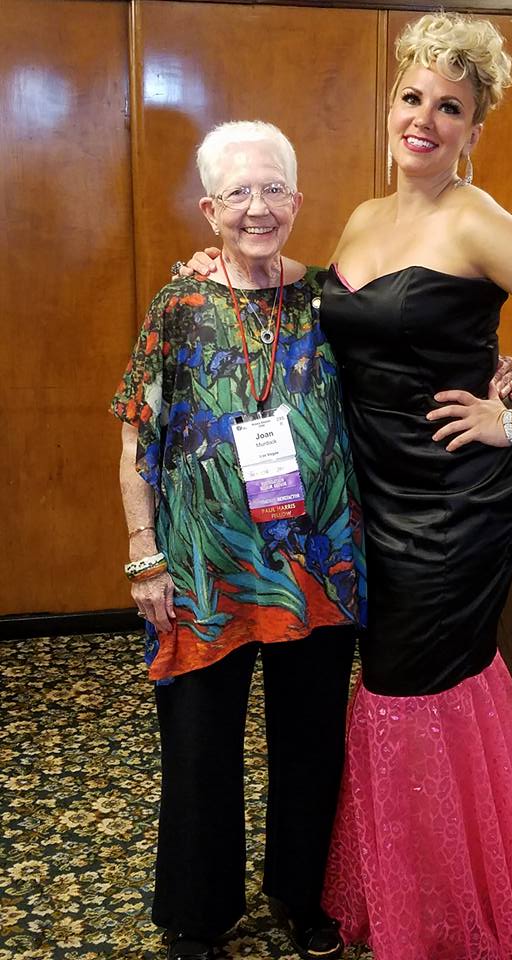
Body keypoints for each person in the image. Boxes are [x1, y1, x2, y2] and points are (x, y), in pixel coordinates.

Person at [181, 12, 512, 954]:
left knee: (406, 686)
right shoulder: (365, 217)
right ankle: (414, 879)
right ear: (391, 105)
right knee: (388, 685)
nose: (424, 119)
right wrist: (233, 261)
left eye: (449, 107)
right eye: (413, 97)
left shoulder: (475, 217)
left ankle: (441, 906)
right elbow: (334, 310)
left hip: (452, 500)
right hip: (367, 492)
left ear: (473, 129)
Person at [111, 121, 367, 960]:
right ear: (209, 209)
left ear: (298, 200)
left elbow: (404, 371)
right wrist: (144, 553)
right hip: (202, 568)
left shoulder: (330, 298)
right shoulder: (179, 304)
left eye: (274, 190)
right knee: (198, 747)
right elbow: (136, 432)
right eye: (238, 193)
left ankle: (302, 894)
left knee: (313, 741)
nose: (258, 208)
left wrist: (494, 376)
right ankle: (198, 912)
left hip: (315, 564)